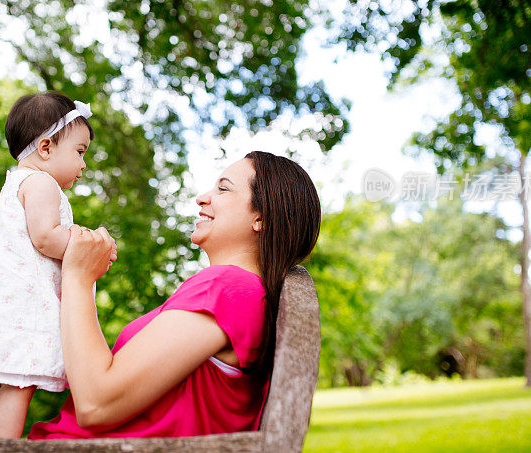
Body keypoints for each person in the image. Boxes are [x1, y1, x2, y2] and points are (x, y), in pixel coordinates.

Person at [29, 151, 320, 440]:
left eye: (223, 188)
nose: (203, 198)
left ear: (261, 218)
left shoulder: (228, 288)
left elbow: (96, 404)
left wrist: (78, 276)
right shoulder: (240, 292)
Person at [0, 90, 116, 439]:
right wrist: (88, 246)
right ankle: (5, 447)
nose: (84, 164)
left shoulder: (18, 183)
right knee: (19, 385)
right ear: (46, 147)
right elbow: (46, 237)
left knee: (3, 386)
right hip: (25, 308)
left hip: (4, 305)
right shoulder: (41, 183)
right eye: (79, 152)